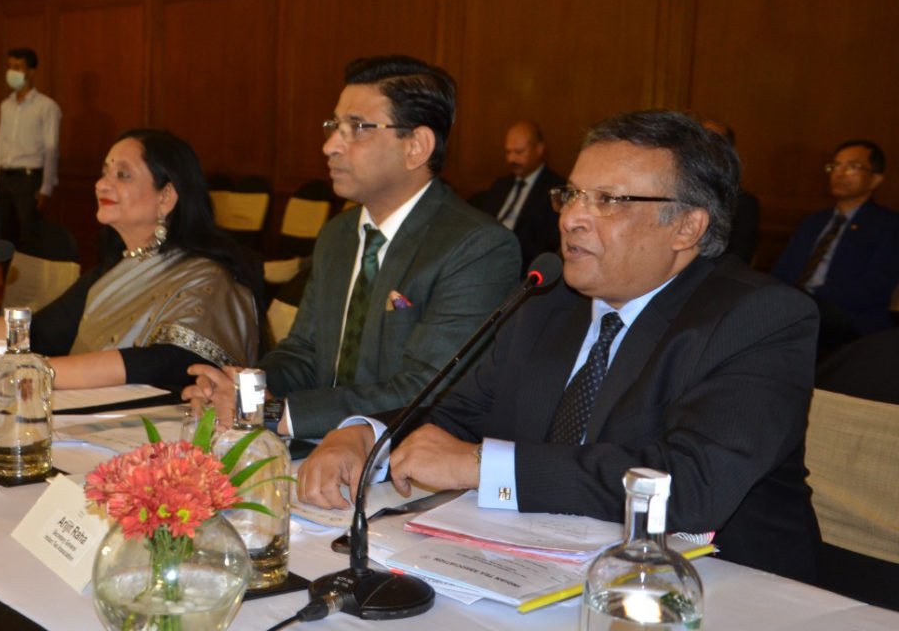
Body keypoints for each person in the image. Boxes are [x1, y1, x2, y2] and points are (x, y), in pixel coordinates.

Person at [297, 110, 821, 582]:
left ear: (687, 226)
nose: (572, 218)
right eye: (571, 194)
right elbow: (457, 414)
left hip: (717, 586)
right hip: (538, 567)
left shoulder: (757, 318)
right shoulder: (547, 302)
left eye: (609, 201)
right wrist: (369, 436)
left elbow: (692, 485)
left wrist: (484, 467)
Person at [183, 55, 521, 439]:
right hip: (316, 445)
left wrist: (274, 411)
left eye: (357, 128)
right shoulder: (338, 234)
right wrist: (239, 391)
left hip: (401, 464)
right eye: (334, 126)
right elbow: (304, 355)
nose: (330, 146)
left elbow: (427, 388)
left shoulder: (476, 247)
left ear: (416, 146)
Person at [0, 129, 262, 389]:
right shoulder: (119, 266)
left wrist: (37, 375)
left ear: (166, 196)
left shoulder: (207, 276)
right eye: (104, 172)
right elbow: (43, 329)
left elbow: (170, 362)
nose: (102, 184)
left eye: (122, 175)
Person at [772, 140, 899, 353]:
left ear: (875, 179)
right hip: (797, 308)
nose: (840, 173)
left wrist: (807, 298)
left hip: (851, 318)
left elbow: (875, 288)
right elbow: (782, 272)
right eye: (835, 166)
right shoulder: (813, 223)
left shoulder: (888, 225)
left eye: (852, 167)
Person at [470, 121, 565, 273]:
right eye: (508, 152)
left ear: (539, 149)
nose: (511, 159)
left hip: (520, 267)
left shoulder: (555, 189)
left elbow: (547, 243)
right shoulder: (501, 185)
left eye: (519, 152)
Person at [0, 47, 61, 246]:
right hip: (5, 178)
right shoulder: (6, 105)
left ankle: (28, 278)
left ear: (30, 72)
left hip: (29, 179)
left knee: (29, 237)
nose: (12, 71)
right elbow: (0, 143)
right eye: (9, 66)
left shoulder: (47, 106)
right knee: (5, 235)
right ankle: (6, 277)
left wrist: (46, 188)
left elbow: (51, 149)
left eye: (18, 67)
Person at [701, 118, 760, 264]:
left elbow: (737, 258)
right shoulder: (669, 191)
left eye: (713, 141)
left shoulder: (743, 204)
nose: (703, 147)